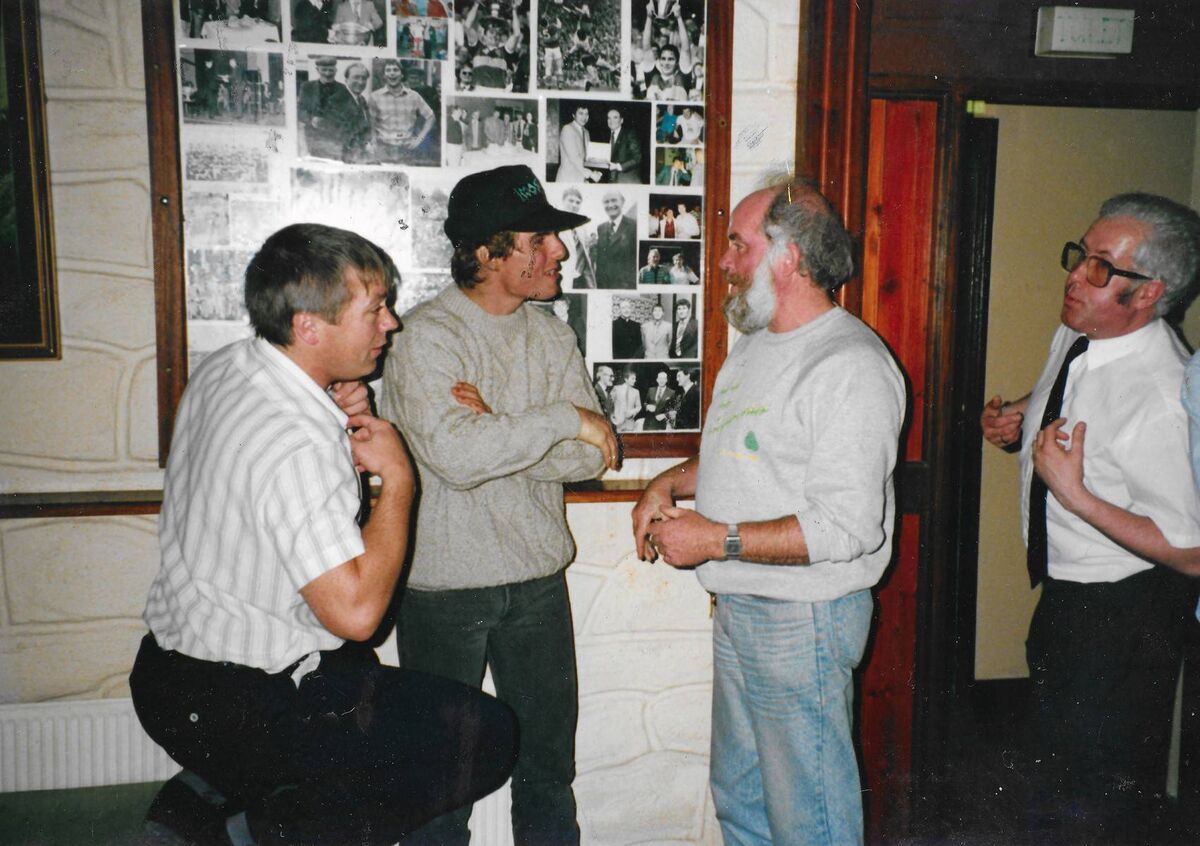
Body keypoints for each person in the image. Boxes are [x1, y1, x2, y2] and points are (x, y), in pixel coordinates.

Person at [130, 223, 518, 846]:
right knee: (487, 736)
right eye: (375, 310)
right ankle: (239, 829)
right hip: (239, 701)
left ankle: (208, 793)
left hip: (167, 677)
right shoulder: (296, 441)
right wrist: (399, 480)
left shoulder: (232, 364)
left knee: (368, 686)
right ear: (310, 326)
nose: (390, 324)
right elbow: (358, 614)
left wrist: (332, 410)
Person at [631, 179, 906, 845]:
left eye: (737, 244)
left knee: (807, 817)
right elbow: (742, 457)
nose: (722, 261)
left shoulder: (851, 366)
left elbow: (844, 528)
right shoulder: (755, 347)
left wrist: (714, 540)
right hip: (743, 606)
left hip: (803, 619)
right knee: (744, 803)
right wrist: (667, 481)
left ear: (788, 256)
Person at [378, 165, 619, 846]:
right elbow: (456, 460)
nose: (560, 252)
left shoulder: (552, 335)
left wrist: (513, 426)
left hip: (539, 585)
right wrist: (559, 418)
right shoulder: (425, 338)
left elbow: (591, 456)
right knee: (438, 791)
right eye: (538, 240)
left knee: (548, 773)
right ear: (485, 253)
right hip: (444, 594)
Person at [980, 192, 1200, 839]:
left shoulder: (1161, 395)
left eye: (1101, 268)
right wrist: (1023, 413)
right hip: (1069, 597)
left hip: (1123, 617)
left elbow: (1193, 549)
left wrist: (1077, 498)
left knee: (1097, 801)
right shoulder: (1084, 328)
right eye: (1081, 255)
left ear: (1150, 293)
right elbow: (1071, 392)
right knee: (1058, 779)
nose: (1075, 275)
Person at [368, 58, 435, 164]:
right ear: (384, 76)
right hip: (384, 150)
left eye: (395, 70)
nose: (392, 73)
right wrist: (373, 141)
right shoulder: (375, 97)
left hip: (407, 150)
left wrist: (419, 139)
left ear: (402, 75)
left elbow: (430, 117)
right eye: (388, 70)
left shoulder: (414, 96)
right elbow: (371, 122)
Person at [297, 55, 354, 159]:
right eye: (324, 70)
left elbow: (350, 114)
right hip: (313, 139)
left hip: (334, 140)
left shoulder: (342, 89)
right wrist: (311, 119)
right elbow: (300, 110)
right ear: (317, 70)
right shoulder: (307, 87)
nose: (327, 73)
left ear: (335, 70)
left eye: (330, 70)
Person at [594, 189, 637, 288]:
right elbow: (600, 260)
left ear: (622, 202)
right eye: (606, 202)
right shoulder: (601, 228)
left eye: (614, 200)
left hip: (625, 286)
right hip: (604, 285)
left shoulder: (634, 226)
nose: (610, 205)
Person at [559, 187, 597, 289]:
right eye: (571, 200)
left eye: (578, 202)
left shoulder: (581, 225)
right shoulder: (554, 223)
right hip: (563, 275)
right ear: (563, 201)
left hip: (580, 277)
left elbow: (585, 246)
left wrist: (592, 240)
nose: (574, 205)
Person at [340, 61, 373, 163]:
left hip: (360, 156)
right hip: (346, 157)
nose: (361, 82)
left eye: (364, 78)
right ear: (346, 80)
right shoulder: (338, 100)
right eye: (356, 77)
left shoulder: (362, 100)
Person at [606, 108, 643, 184]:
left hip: (627, 181)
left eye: (615, 117)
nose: (611, 121)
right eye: (609, 118)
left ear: (621, 120)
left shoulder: (629, 134)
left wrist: (618, 166)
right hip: (612, 181)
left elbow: (637, 158)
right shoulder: (606, 136)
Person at [556, 104, 590, 182]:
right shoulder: (567, 129)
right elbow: (574, 157)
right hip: (568, 178)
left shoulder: (586, 132)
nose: (584, 117)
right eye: (581, 113)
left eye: (586, 114)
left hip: (581, 178)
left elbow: (586, 156)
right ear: (574, 115)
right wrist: (590, 174)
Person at [610, 367, 642, 432]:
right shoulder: (616, 389)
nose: (635, 380)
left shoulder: (636, 391)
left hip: (630, 423)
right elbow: (610, 404)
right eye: (632, 379)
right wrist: (612, 417)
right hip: (617, 423)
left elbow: (639, 406)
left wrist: (632, 412)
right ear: (626, 379)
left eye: (635, 379)